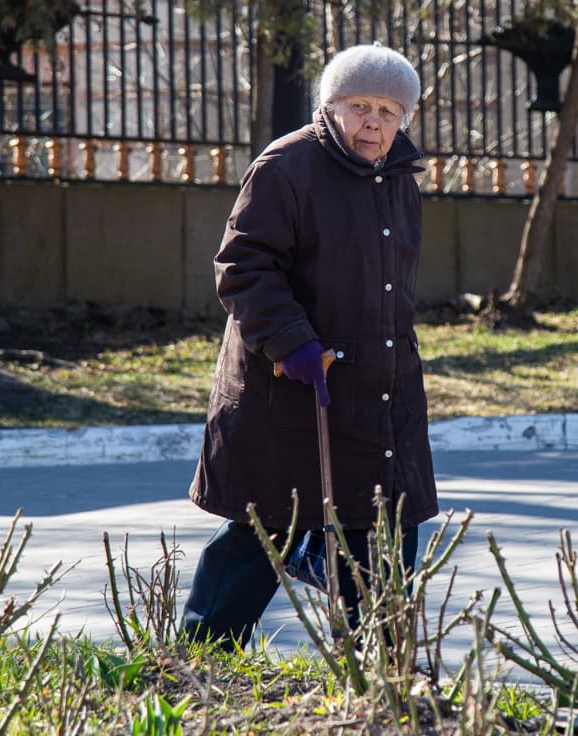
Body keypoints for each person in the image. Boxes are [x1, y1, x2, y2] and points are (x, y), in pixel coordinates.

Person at [181, 43, 438, 646]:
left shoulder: (399, 177)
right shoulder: (287, 166)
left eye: (389, 110)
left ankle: (377, 674)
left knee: (382, 527)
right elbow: (244, 266)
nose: (374, 121)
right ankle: (199, 661)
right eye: (359, 106)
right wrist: (291, 342)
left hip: (379, 388)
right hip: (293, 388)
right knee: (264, 527)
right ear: (331, 107)